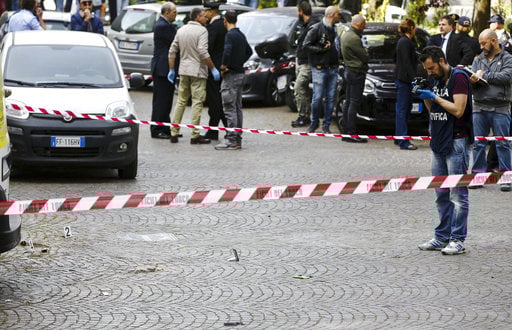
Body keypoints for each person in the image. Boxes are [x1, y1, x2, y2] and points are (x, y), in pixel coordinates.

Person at [416, 46, 472, 255]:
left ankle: (457, 239)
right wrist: (425, 96)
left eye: (431, 68)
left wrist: (435, 96)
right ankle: (441, 237)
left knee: (458, 195)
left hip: (456, 141)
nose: (429, 73)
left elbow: (458, 110)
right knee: (440, 193)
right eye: (426, 70)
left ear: (441, 61)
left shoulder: (459, 77)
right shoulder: (435, 78)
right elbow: (435, 111)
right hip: (438, 140)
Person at [168, 8, 220, 145]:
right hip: (197, 71)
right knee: (197, 102)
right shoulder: (202, 31)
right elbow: (203, 51)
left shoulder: (181, 30)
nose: (206, 18)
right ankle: (195, 135)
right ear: (197, 17)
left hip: (183, 70)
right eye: (204, 16)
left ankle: (174, 132)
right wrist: (213, 68)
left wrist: (171, 69)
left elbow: (172, 51)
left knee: (181, 101)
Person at [469, 29, 512, 192]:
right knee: (479, 143)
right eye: (480, 43)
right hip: (479, 106)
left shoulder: (508, 58)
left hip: (501, 107)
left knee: (502, 143)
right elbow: (473, 79)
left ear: (494, 41)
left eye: (484, 43)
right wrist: (473, 79)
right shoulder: (478, 59)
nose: (481, 46)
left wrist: (485, 75)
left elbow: (507, 77)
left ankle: (506, 178)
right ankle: (478, 176)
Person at [214, 10, 252, 150]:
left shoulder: (230, 35)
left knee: (229, 108)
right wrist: (239, 63)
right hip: (240, 74)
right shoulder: (240, 34)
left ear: (225, 20)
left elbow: (227, 52)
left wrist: (224, 67)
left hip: (231, 76)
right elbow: (249, 51)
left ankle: (232, 139)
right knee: (237, 107)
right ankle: (237, 137)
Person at [303, 6, 341, 135]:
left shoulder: (336, 29)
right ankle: (314, 123)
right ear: (331, 15)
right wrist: (322, 49)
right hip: (319, 68)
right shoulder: (316, 28)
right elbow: (306, 45)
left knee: (330, 98)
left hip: (333, 68)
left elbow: (337, 46)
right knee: (317, 97)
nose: (339, 17)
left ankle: (326, 125)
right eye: (338, 14)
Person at [149, 2, 177, 139]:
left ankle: (165, 128)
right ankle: (156, 129)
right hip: (162, 67)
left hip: (165, 67)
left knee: (166, 100)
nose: (175, 15)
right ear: (166, 13)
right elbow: (175, 39)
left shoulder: (165, 25)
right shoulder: (163, 26)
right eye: (174, 13)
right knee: (161, 100)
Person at [339, 14, 368, 142]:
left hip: (349, 70)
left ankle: (346, 130)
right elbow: (365, 57)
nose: (365, 27)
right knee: (354, 103)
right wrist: (366, 52)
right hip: (356, 72)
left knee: (349, 101)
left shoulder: (346, 35)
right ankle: (351, 132)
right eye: (364, 24)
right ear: (359, 24)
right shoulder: (354, 38)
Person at [290, 0, 319, 128]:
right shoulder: (304, 24)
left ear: (301, 11)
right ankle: (305, 115)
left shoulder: (313, 25)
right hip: (301, 61)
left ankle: (303, 116)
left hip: (308, 63)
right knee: (303, 90)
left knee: (298, 87)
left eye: (298, 11)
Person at [202, 1, 227, 141]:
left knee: (214, 101)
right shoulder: (222, 24)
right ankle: (224, 128)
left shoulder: (214, 26)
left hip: (214, 68)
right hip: (219, 66)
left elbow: (208, 48)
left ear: (211, 11)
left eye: (205, 11)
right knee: (218, 100)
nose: (204, 13)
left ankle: (215, 130)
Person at [394, 18, 418, 151]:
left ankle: (399, 137)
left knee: (404, 109)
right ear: (412, 28)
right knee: (402, 110)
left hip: (403, 79)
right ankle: (403, 140)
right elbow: (407, 63)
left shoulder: (405, 42)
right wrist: (414, 79)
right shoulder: (405, 42)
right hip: (405, 80)